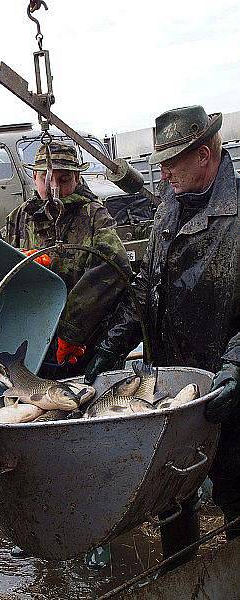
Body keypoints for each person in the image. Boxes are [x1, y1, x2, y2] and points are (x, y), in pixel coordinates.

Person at [85, 105, 240, 568]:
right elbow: (145, 292)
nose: (163, 171)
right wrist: (107, 350)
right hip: (172, 394)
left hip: (227, 391)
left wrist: (236, 368)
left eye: (173, 161)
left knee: (237, 493)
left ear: (206, 155)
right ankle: (181, 575)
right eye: (162, 161)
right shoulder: (167, 211)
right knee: (173, 494)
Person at [0, 141, 132, 380]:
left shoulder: (93, 215)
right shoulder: (18, 219)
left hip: (85, 340)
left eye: (63, 180)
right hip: (34, 339)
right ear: (34, 177)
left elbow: (114, 265)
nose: (55, 189)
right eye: (46, 179)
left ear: (77, 178)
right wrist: (18, 259)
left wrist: (71, 330)